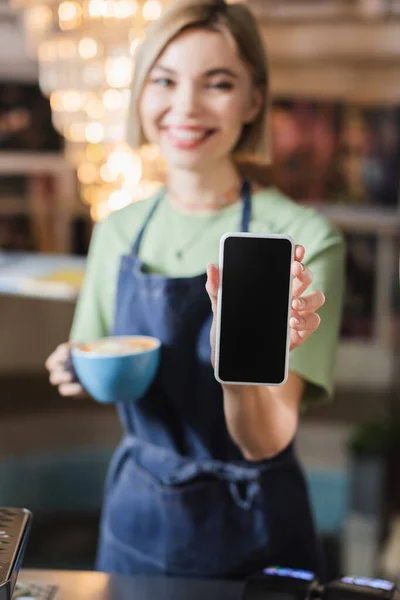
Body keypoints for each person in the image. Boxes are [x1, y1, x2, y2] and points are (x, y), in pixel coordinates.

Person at [45, 0, 345, 580]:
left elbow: (266, 440)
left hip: (255, 521)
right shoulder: (118, 230)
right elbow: (92, 355)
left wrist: (238, 377)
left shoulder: (302, 241)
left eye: (218, 83)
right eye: (165, 79)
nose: (185, 107)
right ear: (140, 92)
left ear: (254, 100)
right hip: (138, 509)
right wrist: (70, 367)